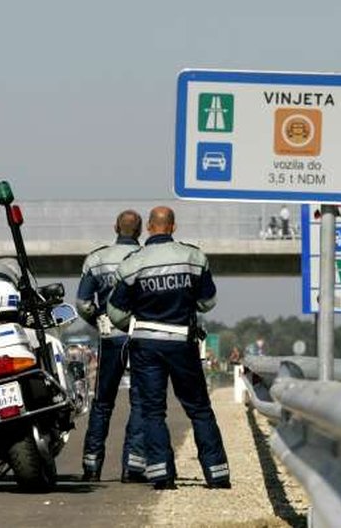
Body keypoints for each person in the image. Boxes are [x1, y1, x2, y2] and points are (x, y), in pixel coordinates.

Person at [107, 206, 230, 490]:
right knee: (199, 409)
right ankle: (217, 474)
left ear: (149, 227)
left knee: (152, 411)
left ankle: (161, 475)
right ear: (173, 227)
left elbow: (115, 311)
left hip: (146, 345)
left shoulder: (132, 263)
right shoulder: (194, 257)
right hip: (182, 343)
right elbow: (208, 302)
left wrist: (135, 323)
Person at [76, 210, 145, 483]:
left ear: (115, 226)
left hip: (109, 337)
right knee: (140, 402)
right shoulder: (147, 259)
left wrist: (98, 319)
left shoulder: (96, 258)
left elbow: (82, 303)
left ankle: (92, 466)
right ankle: (133, 467)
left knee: (103, 403)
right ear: (140, 231)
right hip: (141, 334)